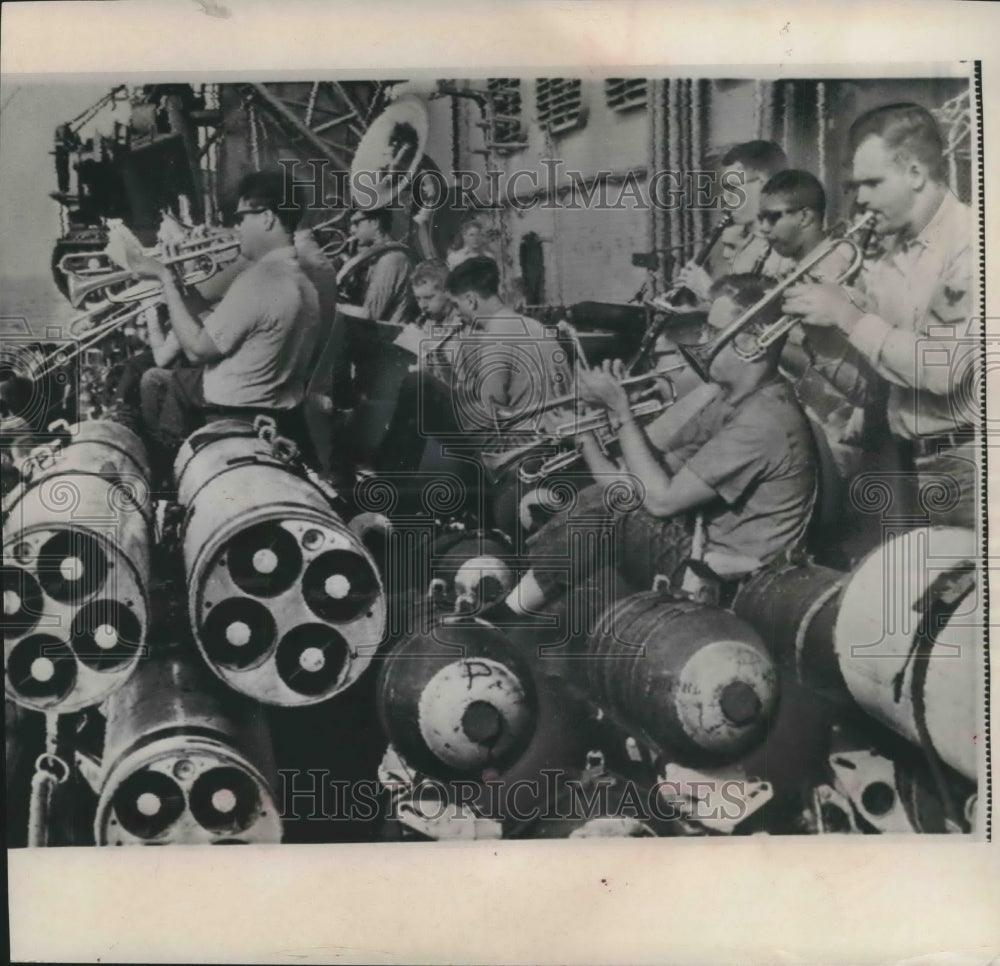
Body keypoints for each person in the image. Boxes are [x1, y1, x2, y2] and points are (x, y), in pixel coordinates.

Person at [485, 273, 817, 625]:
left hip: (734, 584)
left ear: (752, 343)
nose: (701, 341)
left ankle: (506, 615)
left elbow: (660, 499)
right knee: (606, 501)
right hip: (705, 554)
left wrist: (622, 412)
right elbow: (629, 483)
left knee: (610, 511)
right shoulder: (729, 402)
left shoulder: (764, 420)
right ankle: (512, 608)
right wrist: (590, 432)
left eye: (712, 330)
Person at [782, 102, 977, 529]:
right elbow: (876, 386)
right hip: (909, 461)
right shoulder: (891, 258)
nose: (861, 200)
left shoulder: (971, 244)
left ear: (914, 174)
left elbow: (944, 371)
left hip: (970, 463)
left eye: (872, 183)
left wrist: (849, 316)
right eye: (856, 185)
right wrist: (824, 337)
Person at [130, 168, 321, 470]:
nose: (237, 228)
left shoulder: (259, 280)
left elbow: (196, 349)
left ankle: (163, 477)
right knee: (171, 379)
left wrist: (165, 278)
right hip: (278, 408)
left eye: (242, 218)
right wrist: (180, 281)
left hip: (230, 409)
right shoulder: (302, 282)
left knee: (160, 383)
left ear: (268, 217)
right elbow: (214, 327)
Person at [676, 140, 793, 303]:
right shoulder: (750, 243)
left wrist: (709, 292)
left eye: (732, 189)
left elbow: (763, 318)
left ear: (762, 183)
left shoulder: (790, 246)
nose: (725, 200)